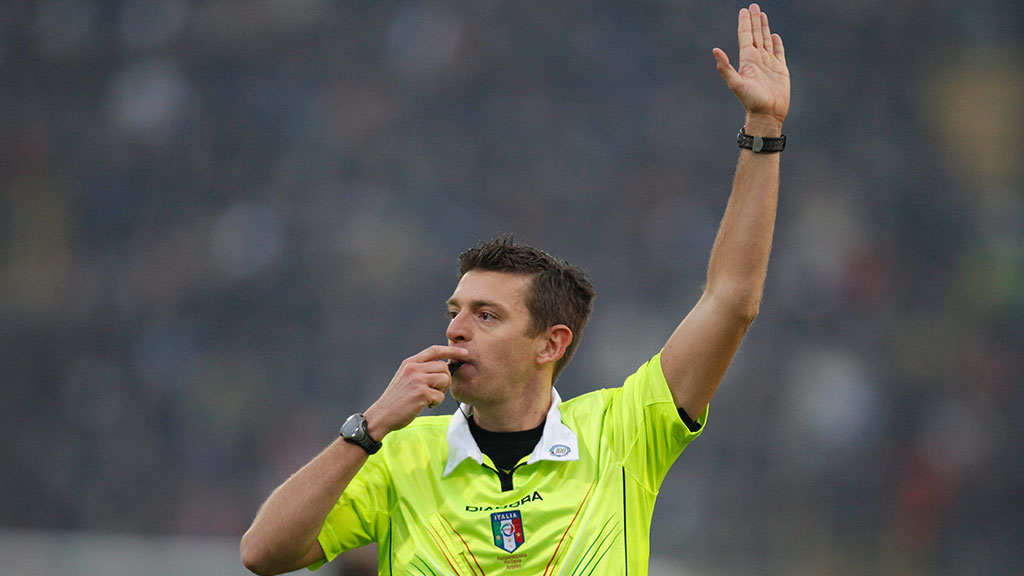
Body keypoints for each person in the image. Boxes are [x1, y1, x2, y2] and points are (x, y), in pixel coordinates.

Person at [241, 3, 790, 574]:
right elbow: (262, 554)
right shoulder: (399, 454)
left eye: (486, 316)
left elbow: (731, 301)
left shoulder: (622, 433)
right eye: (455, 311)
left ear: (551, 343)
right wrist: (370, 426)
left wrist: (764, 128)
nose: (456, 329)